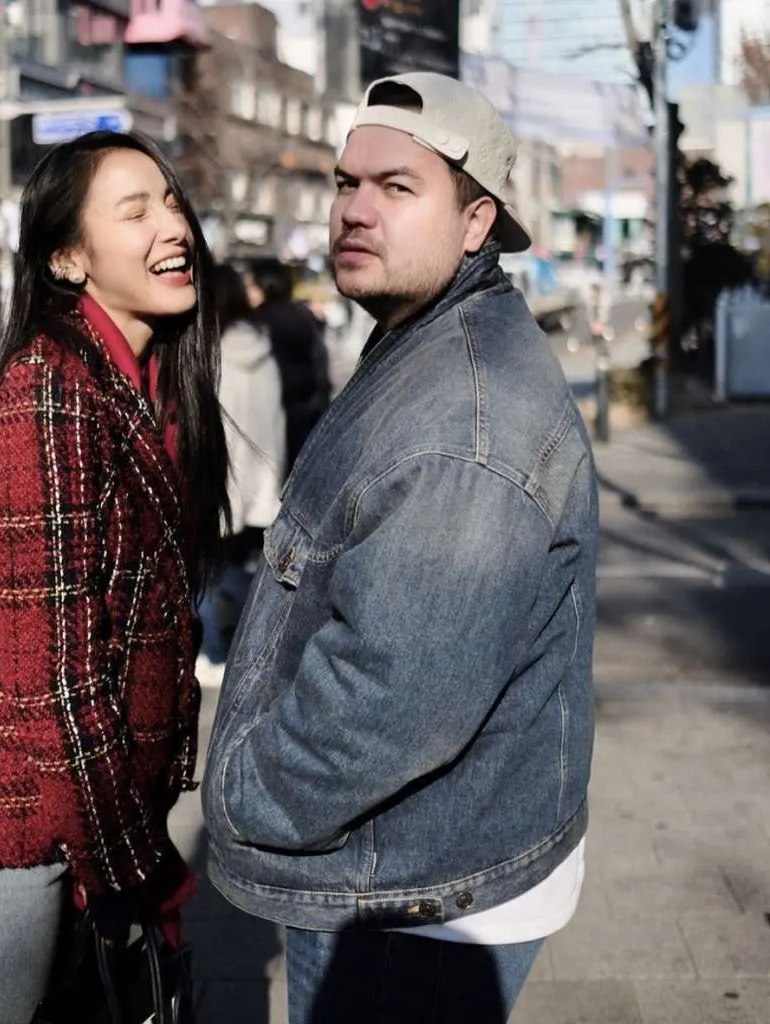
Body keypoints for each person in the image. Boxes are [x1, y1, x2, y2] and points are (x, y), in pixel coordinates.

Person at [203, 72, 598, 1024]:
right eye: (347, 183)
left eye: (397, 187)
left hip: (414, 894)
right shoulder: (429, 334)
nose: (354, 209)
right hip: (419, 862)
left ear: (475, 222)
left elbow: (387, 705)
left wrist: (241, 794)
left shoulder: (464, 427)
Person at [0, 130, 230, 1024]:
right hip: (9, 809)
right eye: (135, 211)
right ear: (68, 260)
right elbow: (52, 679)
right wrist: (133, 870)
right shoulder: (47, 393)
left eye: (171, 202)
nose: (173, 226)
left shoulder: (141, 385)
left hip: (83, 807)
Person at [197, 263, 286, 668]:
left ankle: (214, 652)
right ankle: (251, 652)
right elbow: (277, 421)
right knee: (242, 571)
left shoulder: (211, 356)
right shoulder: (263, 349)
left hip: (220, 482)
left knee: (207, 573)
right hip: (261, 479)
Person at [246, 259, 331, 472]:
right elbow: (320, 363)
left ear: (264, 286)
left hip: (275, 416)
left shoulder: (259, 322)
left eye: (251, 285)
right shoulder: (304, 316)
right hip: (308, 412)